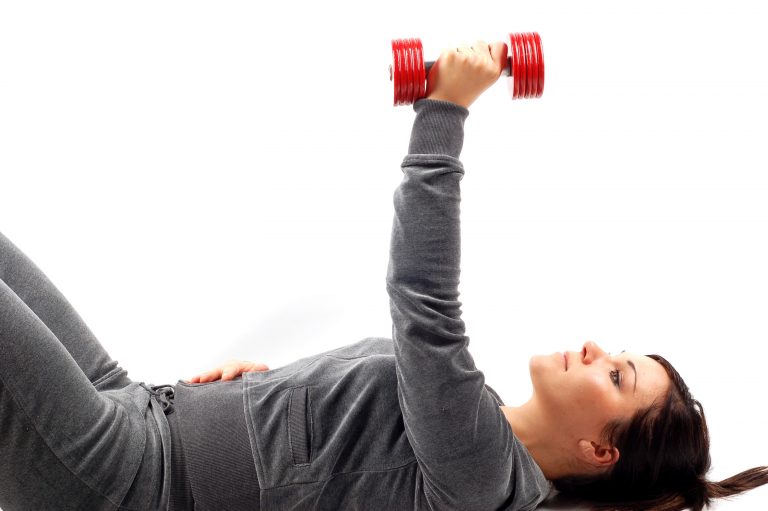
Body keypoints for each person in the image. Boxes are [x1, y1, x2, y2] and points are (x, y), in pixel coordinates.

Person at [1, 39, 766, 511]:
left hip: (121, 475)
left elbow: (423, 301)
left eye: (617, 375)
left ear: (601, 449)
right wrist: (259, 397)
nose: (597, 347)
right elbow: (331, 457)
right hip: (137, 405)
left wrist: (446, 110)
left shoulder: (482, 473)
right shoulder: (474, 424)